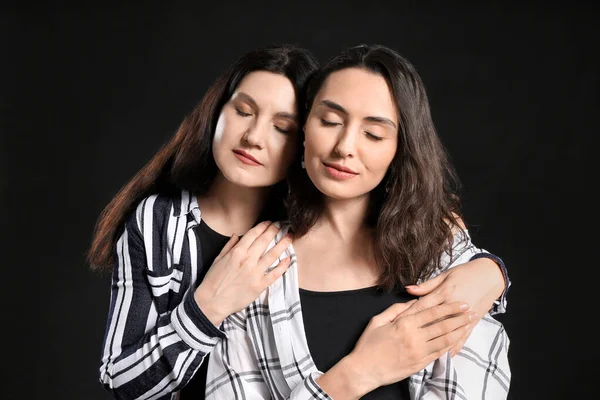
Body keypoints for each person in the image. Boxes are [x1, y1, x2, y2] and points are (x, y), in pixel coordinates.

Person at [89, 44, 509, 400]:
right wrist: (212, 304)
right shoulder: (218, 247)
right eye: (330, 122)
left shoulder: (432, 243)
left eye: (281, 126)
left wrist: (491, 273)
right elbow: (122, 378)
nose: (255, 138)